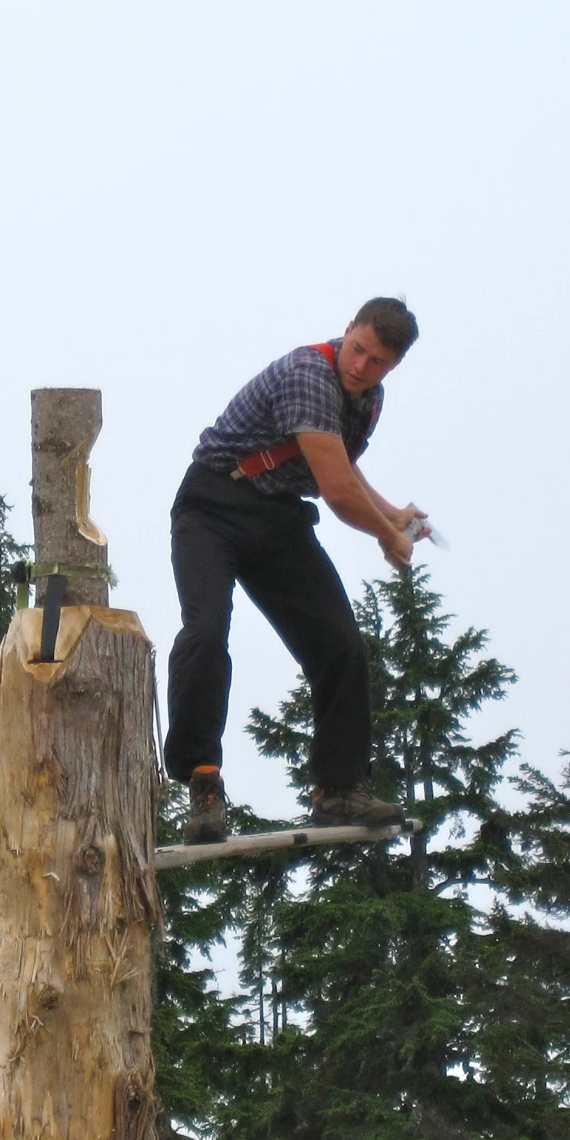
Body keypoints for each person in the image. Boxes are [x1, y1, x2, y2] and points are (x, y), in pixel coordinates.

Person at [164, 297, 424, 844]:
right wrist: (387, 535)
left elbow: (343, 465)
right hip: (212, 508)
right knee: (206, 634)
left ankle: (338, 788)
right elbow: (336, 491)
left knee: (342, 648)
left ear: (392, 365)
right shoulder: (309, 373)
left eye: (376, 361)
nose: (360, 366)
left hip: (278, 521)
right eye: (357, 349)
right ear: (346, 329)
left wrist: (392, 513)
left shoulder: (369, 401)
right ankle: (202, 780)